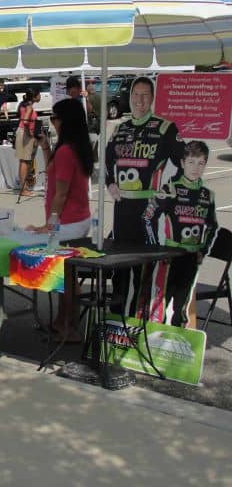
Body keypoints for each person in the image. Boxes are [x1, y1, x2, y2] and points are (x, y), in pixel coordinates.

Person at [105, 76, 183, 317]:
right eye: (135, 95)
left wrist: (167, 190)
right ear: (130, 98)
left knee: (143, 270)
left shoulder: (165, 128)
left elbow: (182, 165)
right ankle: (116, 320)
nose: (139, 100)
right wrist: (110, 184)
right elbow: (107, 161)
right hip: (122, 208)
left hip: (149, 211)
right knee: (119, 268)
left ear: (152, 98)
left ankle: (138, 321)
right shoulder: (121, 127)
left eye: (145, 95)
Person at [26, 98, 93, 341]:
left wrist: (49, 224)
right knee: (68, 275)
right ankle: (63, 322)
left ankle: (68, 327)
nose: (52, 123)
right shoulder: (77, 148)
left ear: (65, 121)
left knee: (63, 276)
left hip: (67, 222)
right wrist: (45, 148)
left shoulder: (66, 151)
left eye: (55, 118)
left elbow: (61, 194)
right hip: (78, 219)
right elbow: (56, 174)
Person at [143, 141, 218, 327]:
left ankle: (176, 348)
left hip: (191, 257)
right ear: (183, 163)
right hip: (170, 256)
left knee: (182, 307)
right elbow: (147, 218)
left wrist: (203, 249)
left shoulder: (208, 195)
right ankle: (151, 344)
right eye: (191, 162)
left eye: (201, 163)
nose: (195, 168)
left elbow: (212, 226)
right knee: (159, 305)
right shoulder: (170, 189)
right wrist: (158, 250)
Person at [14, 85, 41, 197]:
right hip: (25, 134)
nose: (40, 96)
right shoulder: (29, 107)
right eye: (39, 94)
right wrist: (31, 134)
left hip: (22, 132)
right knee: (25, 161)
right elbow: (25, 121)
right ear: (34, 97)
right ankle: (24, 189)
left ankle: (24, 187)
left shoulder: (24, 104)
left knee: (24, 161)